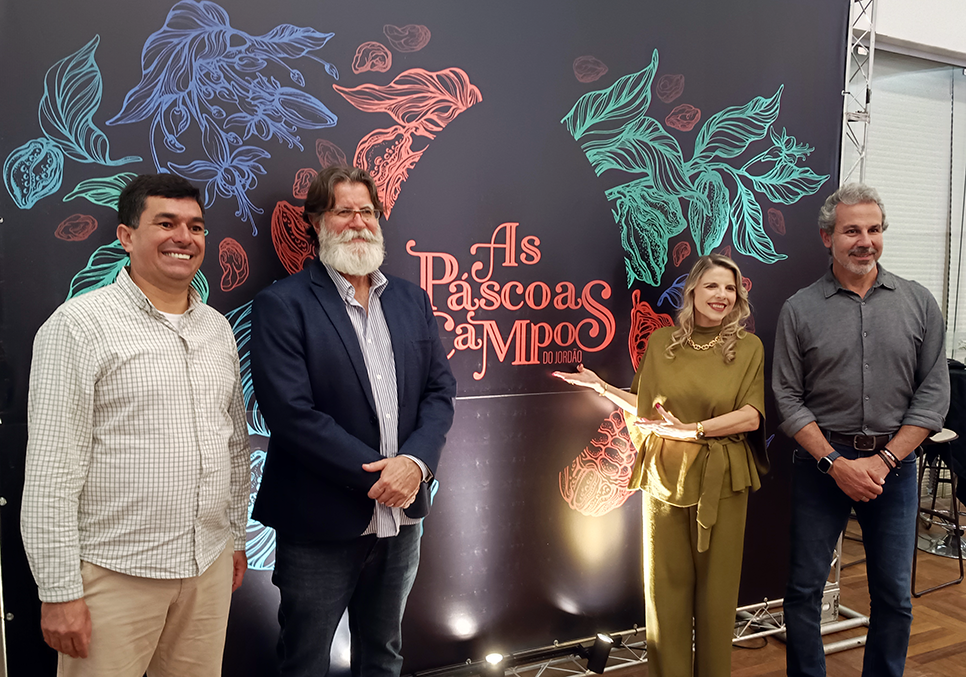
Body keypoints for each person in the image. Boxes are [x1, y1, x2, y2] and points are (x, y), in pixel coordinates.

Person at [20, 174, 250, 677]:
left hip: (208, 566)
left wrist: (235, 537)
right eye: (165, 223)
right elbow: (52, 471)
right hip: (116, 573)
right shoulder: (78, 326)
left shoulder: (217, 329)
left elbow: (234, 445)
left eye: (195, 226)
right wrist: (59, 591)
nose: (183, 237)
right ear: (126, 236)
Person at [249, 165, 457, 677]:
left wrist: (414, 464)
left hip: (403, 519)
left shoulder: (410, 299)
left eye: (367, 211)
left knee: (383, 655)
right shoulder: (283, 304)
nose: (358, 222)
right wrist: (381, 475)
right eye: (343, 211)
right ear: (317, 221)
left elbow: (440, 391)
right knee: (304, 661)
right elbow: (290, 413)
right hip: (318, 521)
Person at [554, 254, 767, 677]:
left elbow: (751, 416)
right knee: (664, 594)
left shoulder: (748, 347)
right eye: (712, 285)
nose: (722, 295)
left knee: (717, 597)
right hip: (663, 478)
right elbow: (646, 410)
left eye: (730, 288)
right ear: (693, 290)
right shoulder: (662, 342)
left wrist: (694, 431)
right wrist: (602, 387)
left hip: (722, 478)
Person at [773, 183, 950, 677]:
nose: (865, 241)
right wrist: (835, 463)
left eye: (874, 230)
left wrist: (885, 460)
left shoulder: (918, 302)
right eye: (852, 230)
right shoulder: (799, 309)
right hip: (821, 466)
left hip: (895, 467)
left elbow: (934, 395)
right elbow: (786, 397)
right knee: (804, 591)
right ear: (827, 237)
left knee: (894, 595)